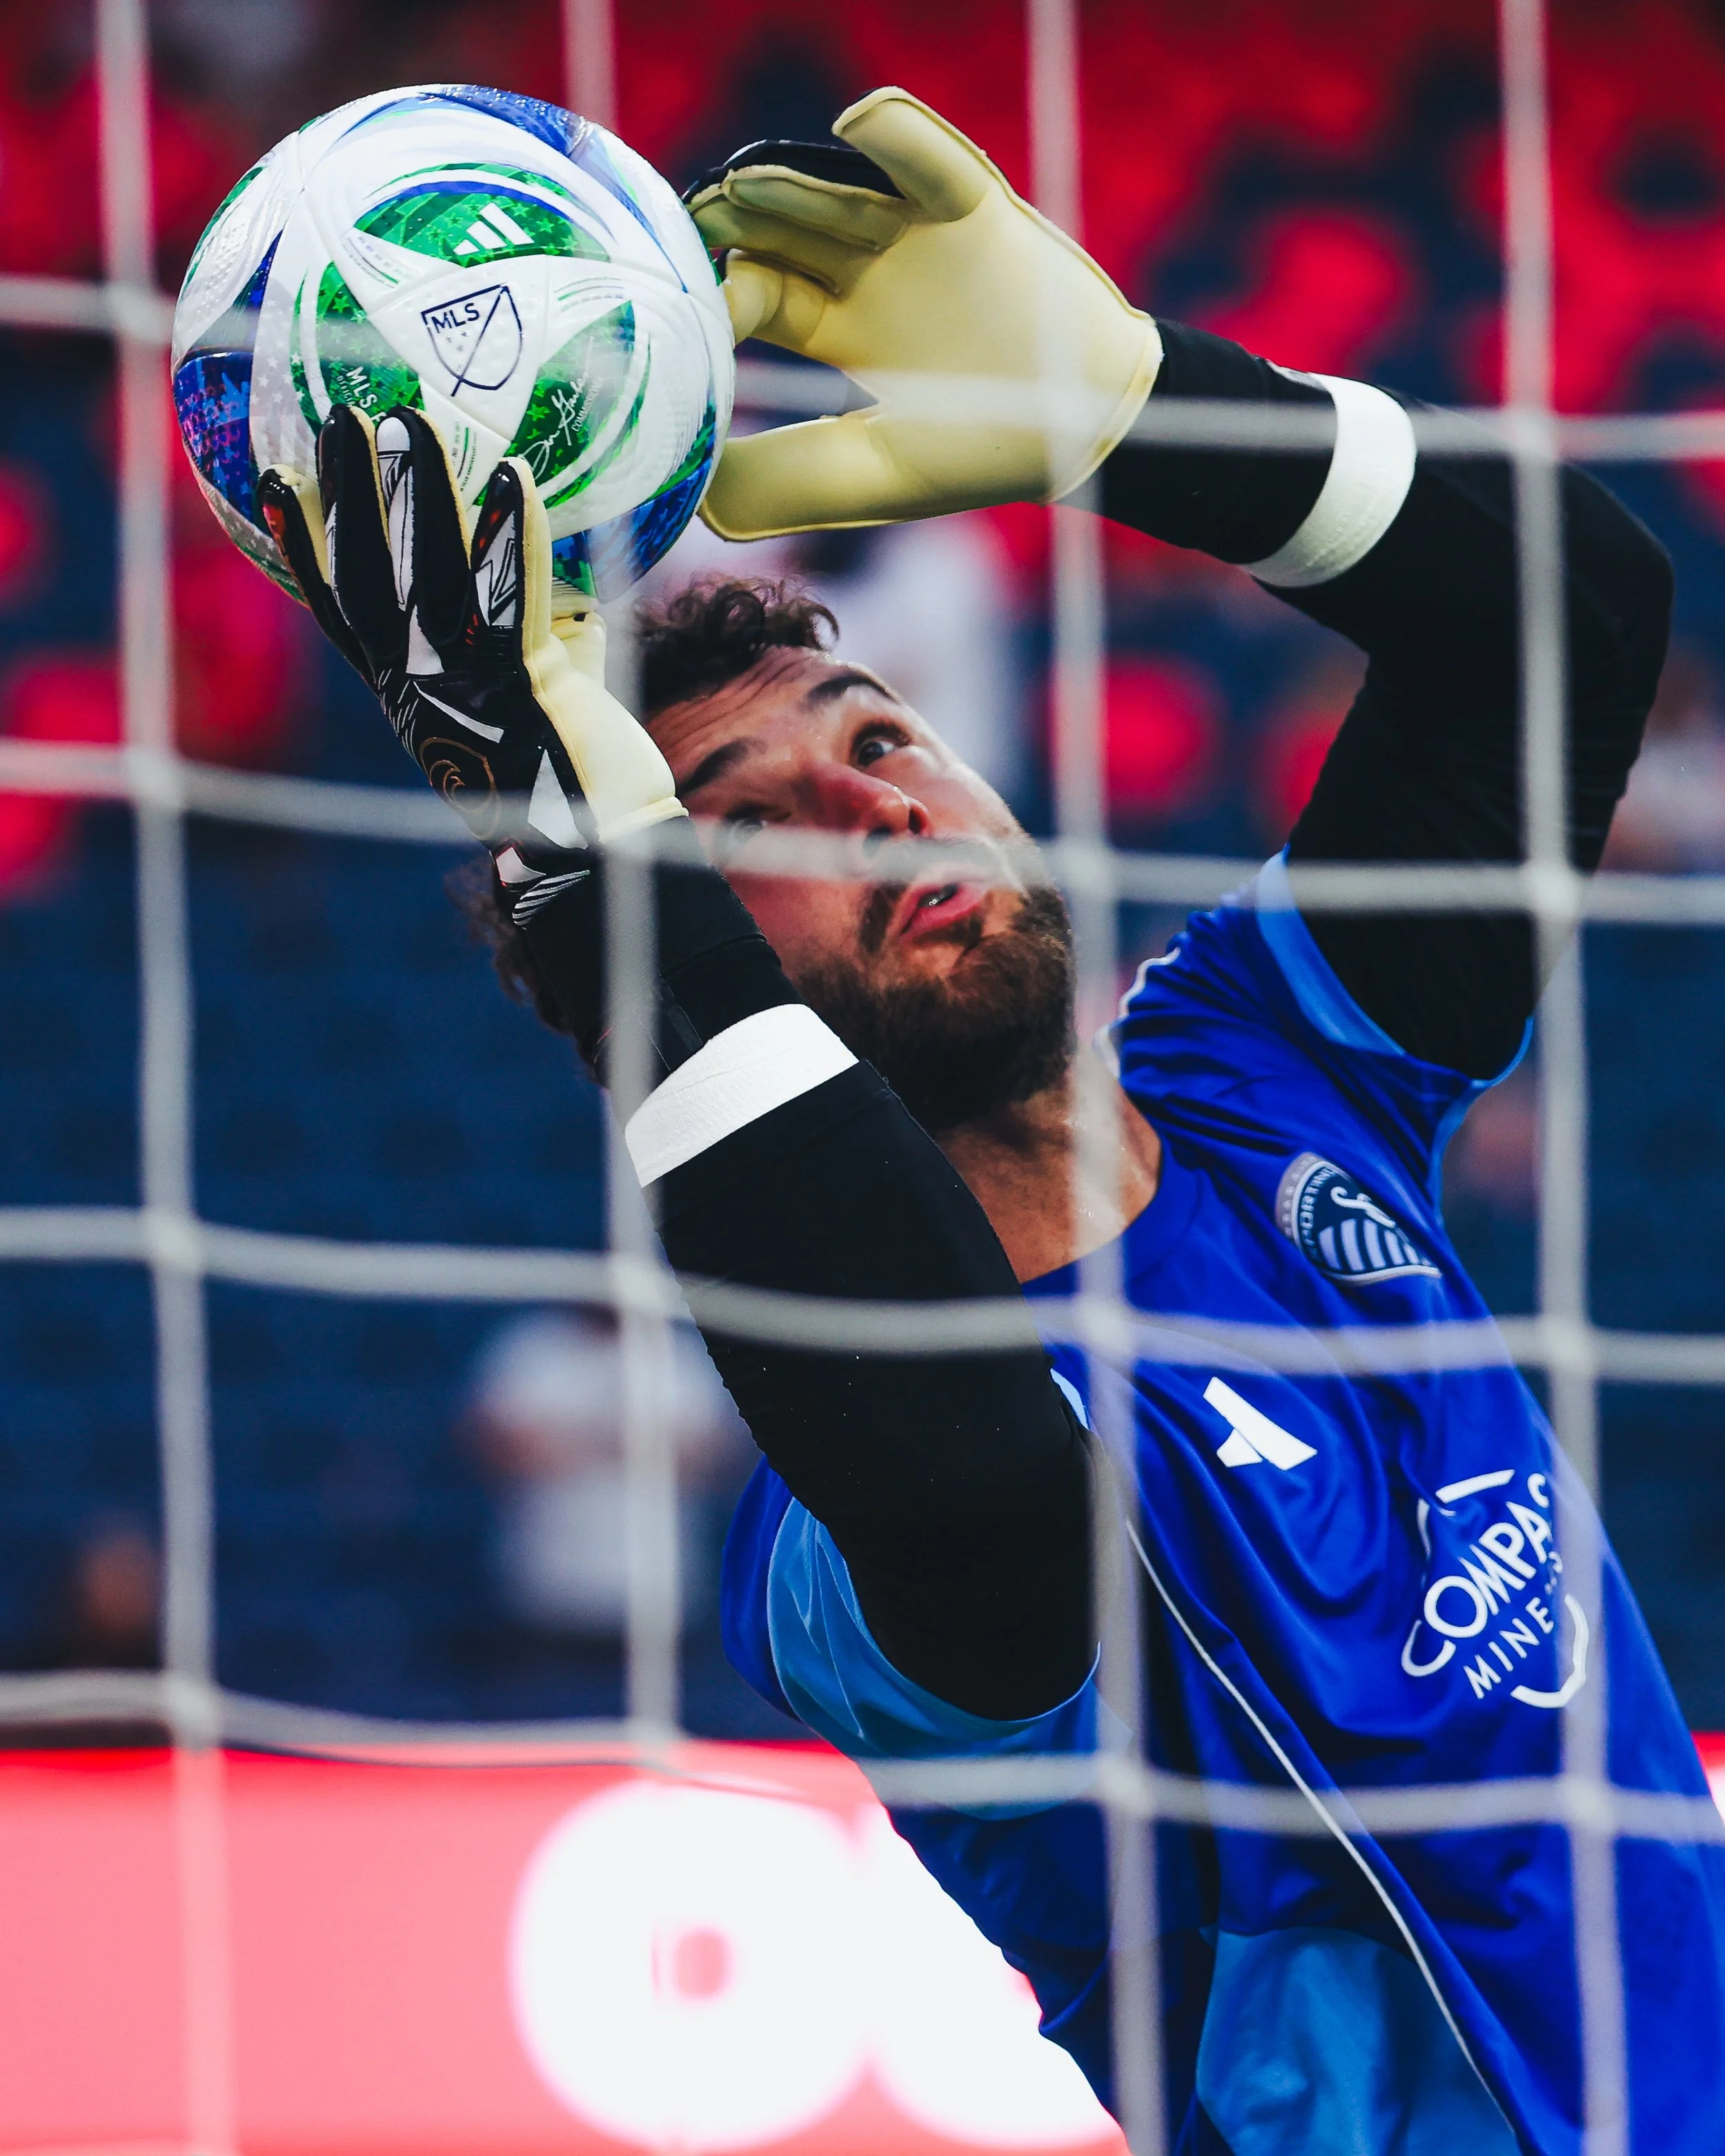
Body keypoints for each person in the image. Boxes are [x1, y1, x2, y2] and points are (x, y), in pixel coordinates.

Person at [256, 88, 1725, 2156]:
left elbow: (1569, 615)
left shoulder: (1253, 1068)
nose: (879, 798)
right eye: (757, 820)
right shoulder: (840, 1531)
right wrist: (596, 889)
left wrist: (1141, 412)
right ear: (691, 946)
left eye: (879, 736)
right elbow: (977, 1479)